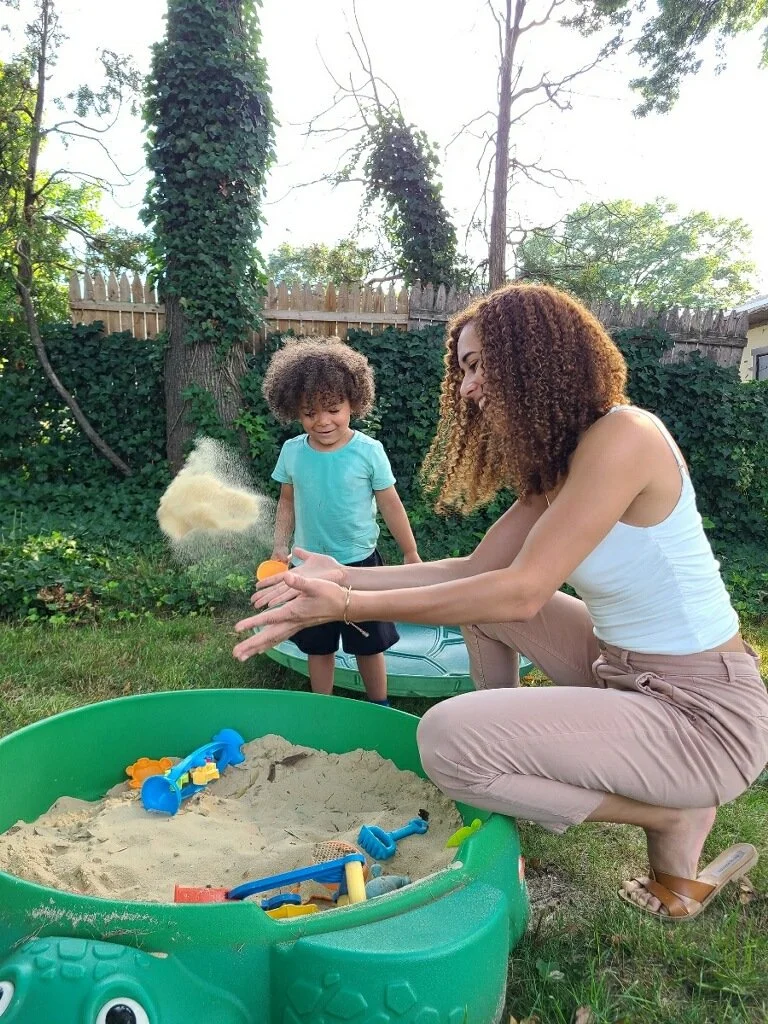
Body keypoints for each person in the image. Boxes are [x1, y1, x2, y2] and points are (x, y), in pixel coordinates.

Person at [234, 284, 768, 921]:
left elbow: (522, 592)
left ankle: (672, 810)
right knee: (476, 606)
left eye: (479, 364)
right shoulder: (565, 463)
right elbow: (476, 571)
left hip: (702, 716)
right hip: (623, 672)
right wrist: (344, 575)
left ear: (535, 355)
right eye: (463, 369)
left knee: (446, 742)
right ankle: (544, 771)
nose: (466, 388)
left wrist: (343, 603)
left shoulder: (626, 435)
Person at [260, 336, 421, 705]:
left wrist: (410, 553)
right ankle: (325, 708)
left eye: (333, 408)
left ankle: (379, 706)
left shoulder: (369, 452)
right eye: (309, 412)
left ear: (354, 402)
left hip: (361, 565)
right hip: (308, 569)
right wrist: (280, 546)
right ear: (294, 411)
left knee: (369, 645)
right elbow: (286, 502)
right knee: (319, 647)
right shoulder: (292, 452)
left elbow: (392, 504)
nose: (322, 421)